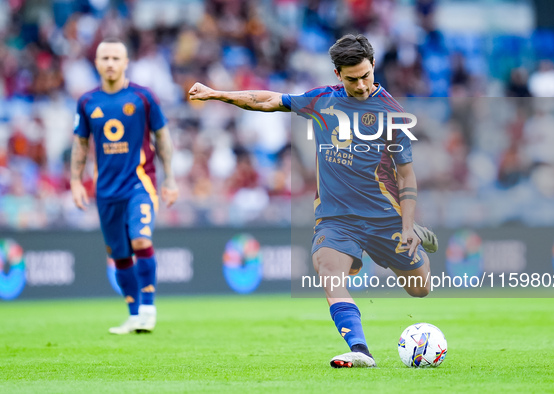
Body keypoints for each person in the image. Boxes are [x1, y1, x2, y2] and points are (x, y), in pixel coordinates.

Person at [188, 34, 436, 367]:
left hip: (383, 217)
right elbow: (266, 100)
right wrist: (218, 94)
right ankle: (360, 350)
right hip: (336, 219)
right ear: (337, 74)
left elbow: (406, 175)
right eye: (352, 79)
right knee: (328, 270)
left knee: (420, 289)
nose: (361, 85)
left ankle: (415, 233)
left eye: (366, 75)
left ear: (374, 66)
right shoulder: (321, 101)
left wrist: (407, 225)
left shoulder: (392, 113)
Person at [71, 37, 178, 334]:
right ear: (96, 63)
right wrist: (75, 181)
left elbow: (163, 138)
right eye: (104, 58)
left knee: (141, 239)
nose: (110, 63)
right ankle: (134, 315)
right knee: (119, 254)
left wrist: (170, 178)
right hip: (105, 190)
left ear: (126, 62)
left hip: (139, 183)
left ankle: (148, 308)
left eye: (116, 58)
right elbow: (80, 143)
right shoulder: (87, 101)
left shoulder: (143, 98)